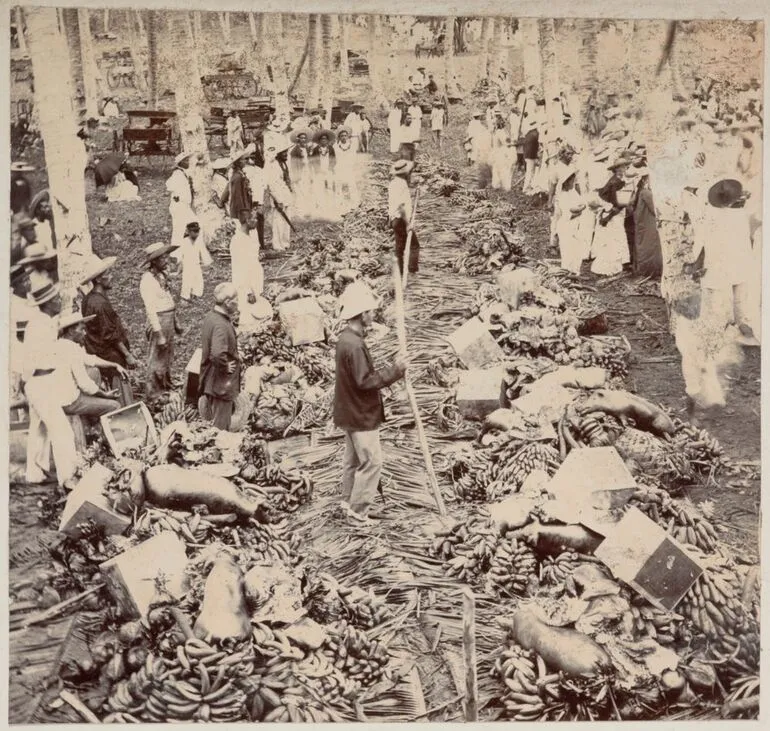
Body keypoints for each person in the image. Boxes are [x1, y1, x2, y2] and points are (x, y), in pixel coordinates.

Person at [333, 280, 407, 520]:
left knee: (353, 461)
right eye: (371, 311)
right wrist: (395, 371)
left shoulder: (347, 338)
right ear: (362, 313)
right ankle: (358, 510)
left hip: (349, 411)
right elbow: (364, 381)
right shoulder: (354, 345)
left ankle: (347, 501)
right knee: (372, 462)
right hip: (360, 413)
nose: (374, 315)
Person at [23, 282, 79, 490]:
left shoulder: (42, 321)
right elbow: (42, 358)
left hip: (38, 381)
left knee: (39, 429)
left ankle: (34, 473)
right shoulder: (41, 325)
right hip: (41, 382)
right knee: (61, 431)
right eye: (56, 299)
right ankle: (68, 478)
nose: (59, 301)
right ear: (47, 303)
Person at [80, 256, 136, 406]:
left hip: (93, 349)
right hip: (108, 354)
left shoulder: (88, 299)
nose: (111, 277)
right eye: (108, 274)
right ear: (99, 279)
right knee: (120, 389)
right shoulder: (101, 304)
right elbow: (111, 336)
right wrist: (128, 355)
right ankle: (123, 409)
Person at [57, 311, 123, 419]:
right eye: (81, 329)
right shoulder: (72, 350)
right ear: (71, 331)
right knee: (114, 406)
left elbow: (89, 359)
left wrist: (114, 365)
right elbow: (84, 384)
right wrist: (105, 394)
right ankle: (98, 431)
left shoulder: (61, 344)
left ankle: (92, 420)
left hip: (61, 396)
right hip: (69, 401)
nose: (85, 333)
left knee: (93, 371)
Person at [139, 242, 181, 401]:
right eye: (162, 257)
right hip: (159, 320)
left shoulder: (162, 276)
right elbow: (150, 309)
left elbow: (168, 298)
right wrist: (159, 333)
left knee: (167, 355)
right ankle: (153, 393)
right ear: (154, 261)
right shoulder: (147, 280)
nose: (166, 260)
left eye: (166, 256)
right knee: (157, 356)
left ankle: (165, 384)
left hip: (168, 318)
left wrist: (175, 321)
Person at [199, 283, 241, 431]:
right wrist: (224, 365)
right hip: (221, 384)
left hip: (212, 380)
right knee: (220, 429)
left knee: (217, 424)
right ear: (228, 303)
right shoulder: (220, 325)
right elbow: (217, 353)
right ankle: (217, 453)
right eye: (236, 299)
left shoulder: (211, 317)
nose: (238, 303)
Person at [229, 213, 269, 332]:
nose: (256, 220)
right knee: (247, 314)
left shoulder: (251, 234)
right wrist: (247, 291)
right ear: (247, 220)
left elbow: (251, 256)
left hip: (254, 278)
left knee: (255, 312)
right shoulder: (237, 240)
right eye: (254, 218)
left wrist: (257, 257)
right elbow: (238, 268)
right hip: (245, 283)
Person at [389, 159, 420, 278]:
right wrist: (408, 224)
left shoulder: (393, 183)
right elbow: (401, 206)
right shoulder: (401, 184)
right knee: (414, 245)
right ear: (404, 173)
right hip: (401, 219)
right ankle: (412, 272)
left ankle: (400, 272)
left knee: (399, 247)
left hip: (394, 219)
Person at [630, 170, 663, 279]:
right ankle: (649, 271)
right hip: (647, 223)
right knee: (649, 246)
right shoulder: (646, 193)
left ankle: (645, 270)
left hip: (643, 223)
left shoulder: (641, 192)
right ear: (645, 180)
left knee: (644, 245)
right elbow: (655, 209)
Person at [264, 140, 294, 251]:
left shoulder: (283, 164)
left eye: (286, 151)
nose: (286, 154)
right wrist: (278, 200)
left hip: (285, 195)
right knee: (278, 221)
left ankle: (285, 242)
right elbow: (272, 184)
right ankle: (277, 244)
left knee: (286, 219)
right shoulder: (274, 166)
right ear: (277, 154)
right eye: (283, 152)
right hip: (279, 197)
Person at [166, 152, 196, 253]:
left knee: (193, 225)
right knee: (179, 229)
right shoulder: (177, 174)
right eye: (186, 160)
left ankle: (188, 248)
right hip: (179, 206)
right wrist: (177, 196)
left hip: (184, 205)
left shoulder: (183, 173)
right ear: (181, 163)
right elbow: (169, 186)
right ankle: (175, 252)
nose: (188, 162)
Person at [177, 221, 212, 302]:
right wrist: (179, 265)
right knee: (187, 281)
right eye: (194, 231)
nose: (196, 233)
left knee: (198, 280)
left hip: (196, 264)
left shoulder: (199, 241)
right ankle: (185, 297)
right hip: (187, 264)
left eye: (198, 231)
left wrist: (207, 262)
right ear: (189, 232)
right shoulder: (184, 241)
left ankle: (196, 295)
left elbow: (203, 252)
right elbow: (180, 254)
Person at [242, 145, 267, 247]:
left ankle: (261, 243)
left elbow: (263, 186)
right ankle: (252, 243)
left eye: (254, 157)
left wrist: (261, 201)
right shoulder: (244, 171)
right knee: (250, 222)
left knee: (260, 221)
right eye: (249, 157)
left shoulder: (260, 170)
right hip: (249, 200)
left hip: (259, 199)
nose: (252, 160)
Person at [310, 129, 337, 219]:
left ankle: (329, 207)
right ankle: (320, 207)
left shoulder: (331, 149)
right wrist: (318, 169)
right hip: (319, 172)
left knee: (329, 188)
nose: (323, 141)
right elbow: (313, 161)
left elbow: (334, 160)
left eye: (325, 139)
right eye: (322, 139)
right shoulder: (315, 149)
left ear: (327, 140)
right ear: (319, 141)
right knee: (319, 188)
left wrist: (330, 168)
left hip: (328, 171)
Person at [333, 126, 360, 214]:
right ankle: (338, 204)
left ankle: (355, 203)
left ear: (347, 136)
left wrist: (352, 165)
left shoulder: (351, 146)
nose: (344, 137)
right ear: (339, 137)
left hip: (348, 167)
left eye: (345, 135)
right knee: (338, 185)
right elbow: (334, 158)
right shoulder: (336, 146)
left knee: (351, 184)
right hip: (339, 167)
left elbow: (354, 157)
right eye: (342, 136)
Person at [227, 150, 253, 224]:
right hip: (240, 211)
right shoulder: (237, 177)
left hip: (245, 207)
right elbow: (237, 196)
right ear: (238, 162)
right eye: (244, 159)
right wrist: (243, 212)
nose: (246, 161)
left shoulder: (240, 174)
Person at [490, 114, 514, 192]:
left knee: (496, 169)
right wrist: (511, 142)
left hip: (495, 152)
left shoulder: (495, 132)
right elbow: (505, 143)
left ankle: (496, 185)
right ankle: (506, 186)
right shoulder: (500, 132)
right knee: (504, 169)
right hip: (501, 152)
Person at [521, 117, 540, 194]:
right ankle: (526, 188)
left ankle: (528, 187)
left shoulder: (528, 134)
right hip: (531, 156)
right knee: (530, 173)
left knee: (530, 172)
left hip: (527, 155)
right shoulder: (535, 134)